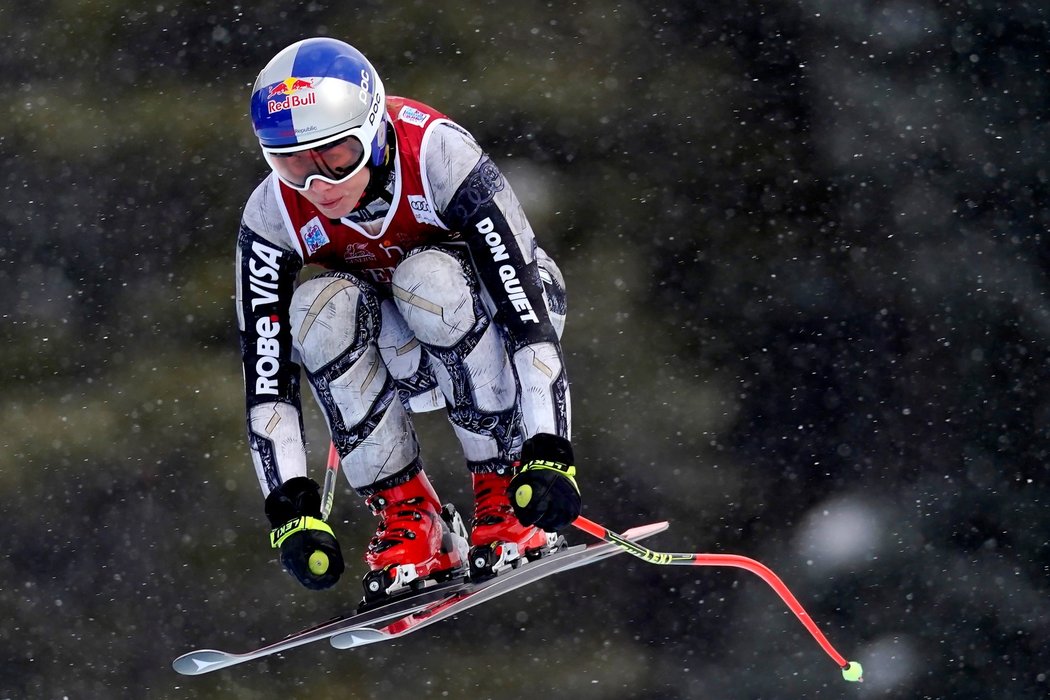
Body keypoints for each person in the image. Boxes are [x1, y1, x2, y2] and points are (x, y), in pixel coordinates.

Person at [235, 37, 582, 598]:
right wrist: (289, 509)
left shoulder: (439, 154)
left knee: (428, 278)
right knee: (316, 309)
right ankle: (411, 518)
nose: (316, 184)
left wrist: (550, 448)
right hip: (402, 352)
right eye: (291, 162)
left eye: (335, 156)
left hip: (508, 312)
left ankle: (502, 484)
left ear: (372, 131)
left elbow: (528, 316)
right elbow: (267, 379)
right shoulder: (271, 212)